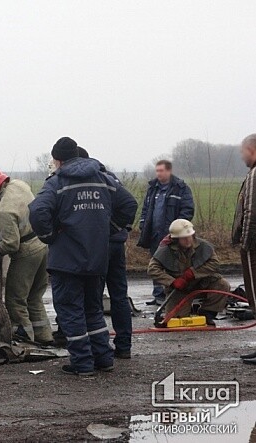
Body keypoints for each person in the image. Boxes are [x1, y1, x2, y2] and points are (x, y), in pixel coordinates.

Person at [29, 137, 135, 376]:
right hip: (98, 258)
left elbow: (37, 211)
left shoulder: (56, 183)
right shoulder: (104, 179)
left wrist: (49, 235)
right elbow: (129, 204)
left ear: (58, 160)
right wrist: (108, 230)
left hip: (67, 260)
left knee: (70, 310)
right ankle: (104, 358)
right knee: (93, 310)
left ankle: (82, 363)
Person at [0, 166, 55, 346]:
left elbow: (12, 244)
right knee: (34, 297)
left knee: (15, 300)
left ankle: (25, 338)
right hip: (43, 246)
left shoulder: (4, 210)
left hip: (27, 253)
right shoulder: (20, 185)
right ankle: (44, 336)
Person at [78, 147, 138, 359]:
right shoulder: (110, 178)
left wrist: (108, 228)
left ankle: (99, 348)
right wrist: (119, 228)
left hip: (100, 245)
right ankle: (124, 346)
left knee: (94, 299)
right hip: (116, 245)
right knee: (119, 295)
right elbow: (129, 204)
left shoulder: (87, 180)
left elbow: (130, 204)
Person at [148, 219, 228, 325]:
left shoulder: (204, 246)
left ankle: (207, 313)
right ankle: (189, 308)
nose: (188, 240)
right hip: (179, 289)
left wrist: (194, 273)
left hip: (202, 282)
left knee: (222, 284)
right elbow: (152, 269)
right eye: (184, 238)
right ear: (176, 239)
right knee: (175, 320)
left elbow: (214, 263)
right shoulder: (165, 250)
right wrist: (172, 281)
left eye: (189, 236)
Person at [138, 160, 194, 305]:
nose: (158, 174)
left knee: (172, 265)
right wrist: (143, 224)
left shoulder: (180, 188)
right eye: (157, 171)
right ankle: (158, 294)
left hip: (173, 235)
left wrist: (179, 229)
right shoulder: (152, 188)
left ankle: (171, 294)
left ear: (169, 171)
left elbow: (187, 210)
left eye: (161, 171)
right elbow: (145, 209)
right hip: (154, 234)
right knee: (155, 263)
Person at [231, 134, 256, 364]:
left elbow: (250, 212)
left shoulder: (254, 175)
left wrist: (245, 243)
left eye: (243, 151)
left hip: (253, 248)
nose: (241, 155)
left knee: (255, 295)